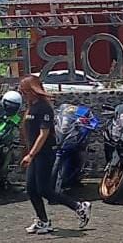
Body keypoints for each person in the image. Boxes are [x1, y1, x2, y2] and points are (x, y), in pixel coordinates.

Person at [19, 75, 92, 234]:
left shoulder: (44, 108)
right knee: (31, 189)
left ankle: (79, 206)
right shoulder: (31, 107)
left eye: (25, 92)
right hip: (35, 153)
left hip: (45, 153)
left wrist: (31, 154)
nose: (23, 95)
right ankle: (43, 221)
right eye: (22, 92)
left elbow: (43, 134)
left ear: (34, 90)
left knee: (45, 190)